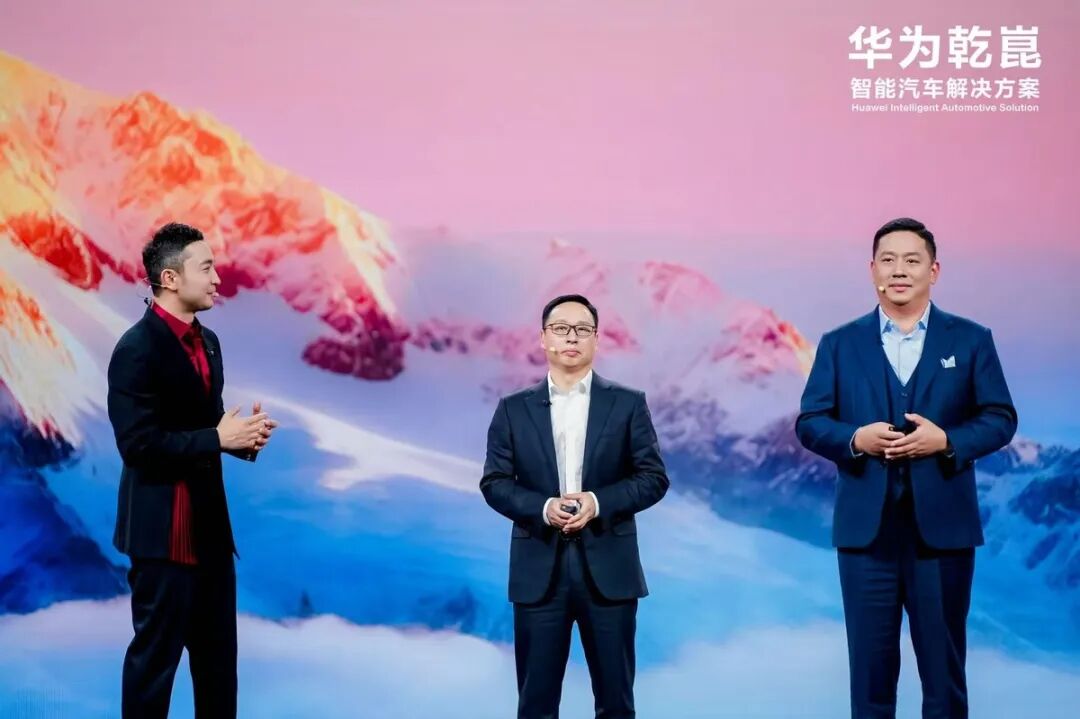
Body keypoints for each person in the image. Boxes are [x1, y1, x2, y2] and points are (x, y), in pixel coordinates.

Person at [796, 218, 1017, 718]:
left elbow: (1000, 418)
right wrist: (855, 439)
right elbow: (810, 422)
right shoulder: (839, 343)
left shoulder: (971, 340)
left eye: (912, 260)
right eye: (888, 260)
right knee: (870, 681)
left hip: (942, 534)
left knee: (943, 679)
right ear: (872, 269)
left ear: (933, 271)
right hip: (865, 537)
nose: (899, 270)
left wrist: (947, 441)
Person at [481, 293, 669, 719]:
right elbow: (494, 483)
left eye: (582, 329)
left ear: (596, 339)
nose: (571, 337)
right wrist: (544, 507)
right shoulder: (513, 409)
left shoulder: (627, 403)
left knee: (616, 704)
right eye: (561, 328)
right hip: (538, 572)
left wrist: (597, 502)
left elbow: (653, 478)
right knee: (536, 706)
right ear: (543, 338)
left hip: (610, 572)